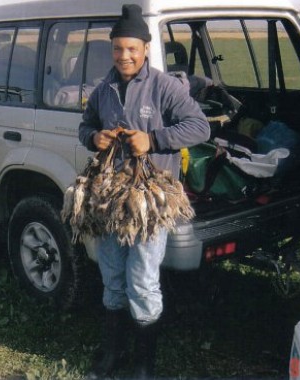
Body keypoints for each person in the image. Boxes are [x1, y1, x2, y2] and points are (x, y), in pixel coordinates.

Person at [78, 4, 210, 378]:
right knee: (113, 276)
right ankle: (113, 352)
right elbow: (84, 125)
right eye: (118, 48)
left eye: (132, 48)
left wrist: (153, 139)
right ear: (112, 50)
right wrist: (94, 136)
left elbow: (200, 128)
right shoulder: (102, 90)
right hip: (110, 199)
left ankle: (143, 363)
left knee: (142, 279)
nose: (125, 56)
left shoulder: (164, 87)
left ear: (146, 49)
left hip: (150, 201)